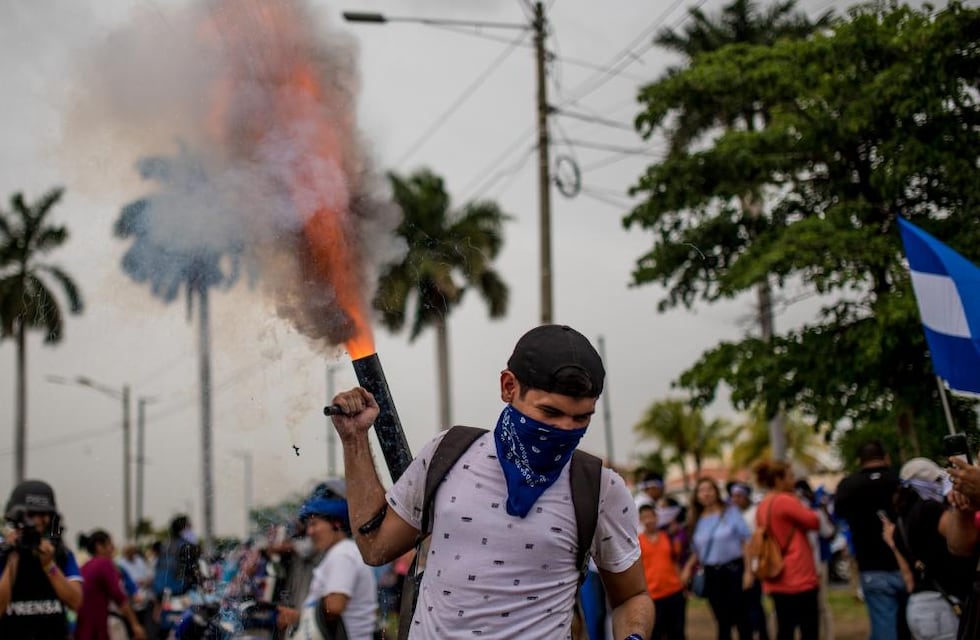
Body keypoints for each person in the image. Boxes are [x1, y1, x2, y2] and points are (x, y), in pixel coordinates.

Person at [330, 324, 653, 638]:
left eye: (581, 418)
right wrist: (354, 439)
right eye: (550, 413)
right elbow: (375, 548)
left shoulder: (600, 489)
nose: (565, 429)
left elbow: (632, 597)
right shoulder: (447, 454)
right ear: (508, 387)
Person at [882, 458, 973, 640]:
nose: (941, 486)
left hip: (917, 607)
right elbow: (961, 540)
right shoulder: (929, 509)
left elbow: (908, 579)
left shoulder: (899, 523)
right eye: (937, 481)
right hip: (942, 607)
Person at [835, 440, 909, 640]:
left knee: (884, 628)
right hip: (906, 566)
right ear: (886, 457)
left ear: (860, 461)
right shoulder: (900, 481)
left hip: (871, 567)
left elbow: (838, 515)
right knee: (909, 626)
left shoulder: (848, 486)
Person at [276, 496, 378, 639]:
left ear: (336, 524)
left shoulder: (342, 554)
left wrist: (301, 617)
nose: (309, 532)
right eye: (308, 526)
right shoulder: (340, 552)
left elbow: (334, 607)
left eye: (314, 524)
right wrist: (298, 617)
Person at [0, 479, 84, 639]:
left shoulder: (61, 554)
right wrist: (13, 558)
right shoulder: (4, 553)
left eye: (44, 515)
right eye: (31, 515)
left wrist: (49, 565)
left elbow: (75, 602)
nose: (38, 521)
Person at [753, 461, 820, 640]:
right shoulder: (785, 500)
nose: (793, 481)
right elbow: (814, 521)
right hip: (798, 574)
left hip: (776, 573)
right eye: (790, 477)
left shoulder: (763, 504)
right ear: (778, 480)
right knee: (809, 629)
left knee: (785, 628)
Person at [680, 477, 753, 640]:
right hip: (712, 574)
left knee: (742, 620)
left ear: (716, 492)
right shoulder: (696, 520)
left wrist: (748, 572)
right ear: (697, 495)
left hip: (734, 571)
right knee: (722, 621)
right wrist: (687, 568)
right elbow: (697, 550)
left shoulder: (731, 512)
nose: (706, 494)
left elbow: (745, 541)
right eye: (702, 490)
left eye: (709, 489)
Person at [76, 529, 148, 640]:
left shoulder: (85, 567)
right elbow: (119, 596)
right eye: (110, 544)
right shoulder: (104, 563)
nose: (113, 548)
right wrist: (135, 624)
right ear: (99, 546)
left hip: (85, 628)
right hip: (100, 627)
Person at [638, 504, 686, 640]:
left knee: (677, 633)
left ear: (656, 517)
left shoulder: (667, 537)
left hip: (674, 591)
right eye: (644, 517)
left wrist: (682, 583)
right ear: (640, 520)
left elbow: (675, 561)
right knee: (656, 633)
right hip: (653, 596)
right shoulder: (637, 542)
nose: (649, 520)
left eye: (651, 516)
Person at [728, 481, 769, 640]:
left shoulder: (755, 513)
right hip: (739, 566)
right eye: (733, 496)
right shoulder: (732, 515)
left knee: (755, 604)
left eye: (739, 496)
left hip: (754, 565)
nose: (736, 499)